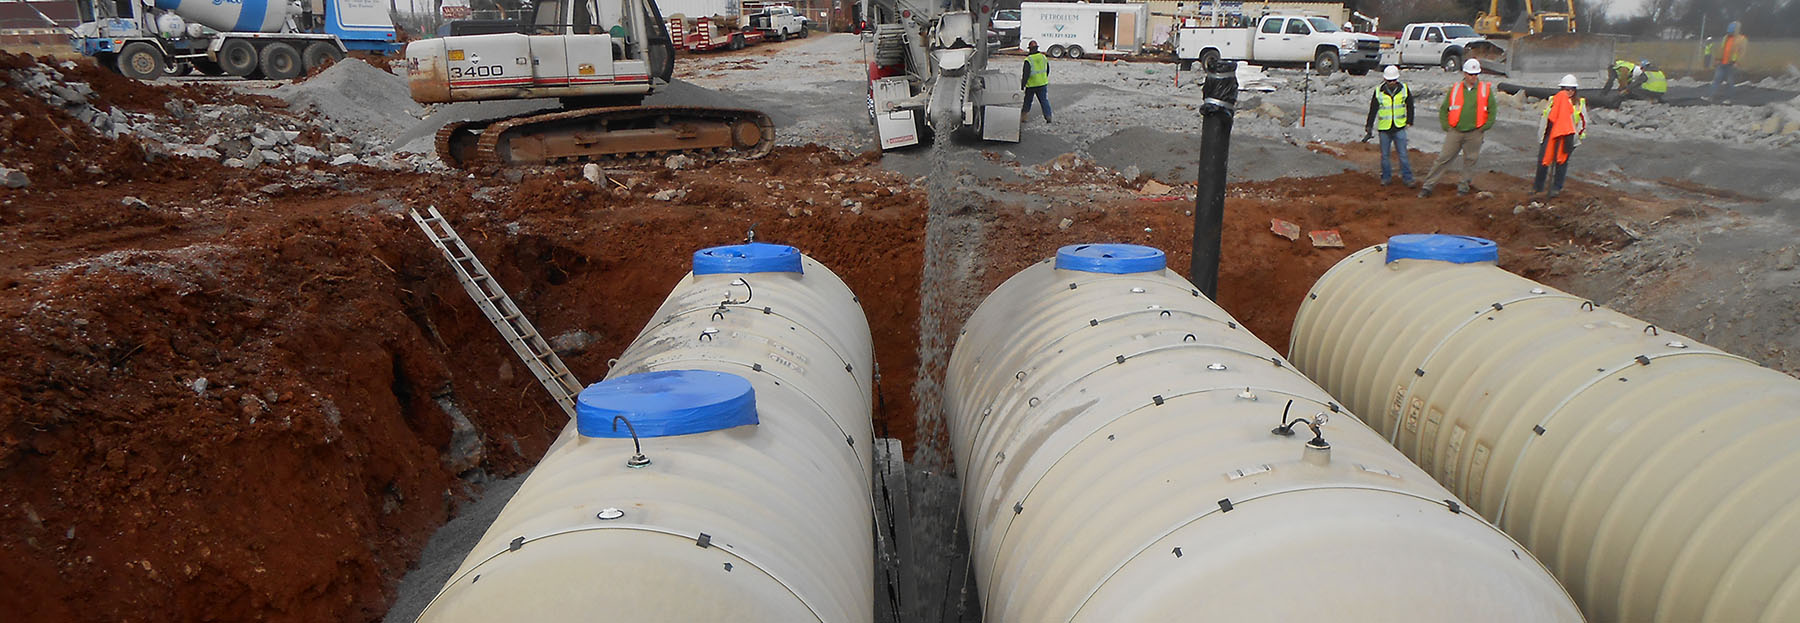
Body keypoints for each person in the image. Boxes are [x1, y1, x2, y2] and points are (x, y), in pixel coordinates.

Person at [1418, 58, 1496, 198]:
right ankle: (1428, 186)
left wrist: (1485, 127)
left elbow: (1492, 109)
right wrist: (1446, 126)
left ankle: (1463, 188)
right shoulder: (1455, 89)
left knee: (1470, 160)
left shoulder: (1485, 90)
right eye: (1471, 74)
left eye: (1476, 74)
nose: (1474, 77)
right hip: (1455, 131)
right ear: (1465, 74)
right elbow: (1444, 109)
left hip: (1475, 132)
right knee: (1444, 158)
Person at [1533, 74, 1587, 198]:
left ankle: (1557, 187)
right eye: (1566, 89)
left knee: (1561, 163)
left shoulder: (1579, 104)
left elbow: (1583, 122)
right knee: (1543, 161)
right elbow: (1545, 117)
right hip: (1551, 135)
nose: (1569, 92)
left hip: (1568, 137)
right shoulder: (1553, 100)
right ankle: (1538, 187)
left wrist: (1576, 138)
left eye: (1572, 89)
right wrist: (1542, 135)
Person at [1363, 65, 1416, 187]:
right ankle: (1386, 178)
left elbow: (1410, 106)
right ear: (1385, 79)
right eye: (1390, 80)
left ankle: (1408, 179)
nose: (1392, 82)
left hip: (1399, 127)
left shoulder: (1404, 89)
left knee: (1403, 155)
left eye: (1394, 80)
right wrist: (1369, 125)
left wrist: (1410, 121)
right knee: (1385, 156)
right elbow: (1373, 109)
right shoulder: (1378, 91)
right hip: (1384, 128)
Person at [1707, 22, 1748, 102]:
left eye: (1731, 32)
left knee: (1730, 82)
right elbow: (1721, 49)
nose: (1730, 33)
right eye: (1729, 32)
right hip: (1722, 63)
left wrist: (1738, 62)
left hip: (1732, 64)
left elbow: (1742, 53)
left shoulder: (1742, 39)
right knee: (1716, 80)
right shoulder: (1726, 38)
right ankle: (1711, 96)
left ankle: (1730, 98)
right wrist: (1717, 59)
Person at [1020, 40, 1052, 124]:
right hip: (1042, 83)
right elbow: (1047, 70)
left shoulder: (1028, 59)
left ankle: (1024, 117)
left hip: (1031, 85)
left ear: (1030, 49)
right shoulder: (1043, 57)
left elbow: (1025, 74)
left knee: (1027, 101)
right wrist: (1043, 78)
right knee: (1044, 100)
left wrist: (1022, 85)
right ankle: (1048, 116)